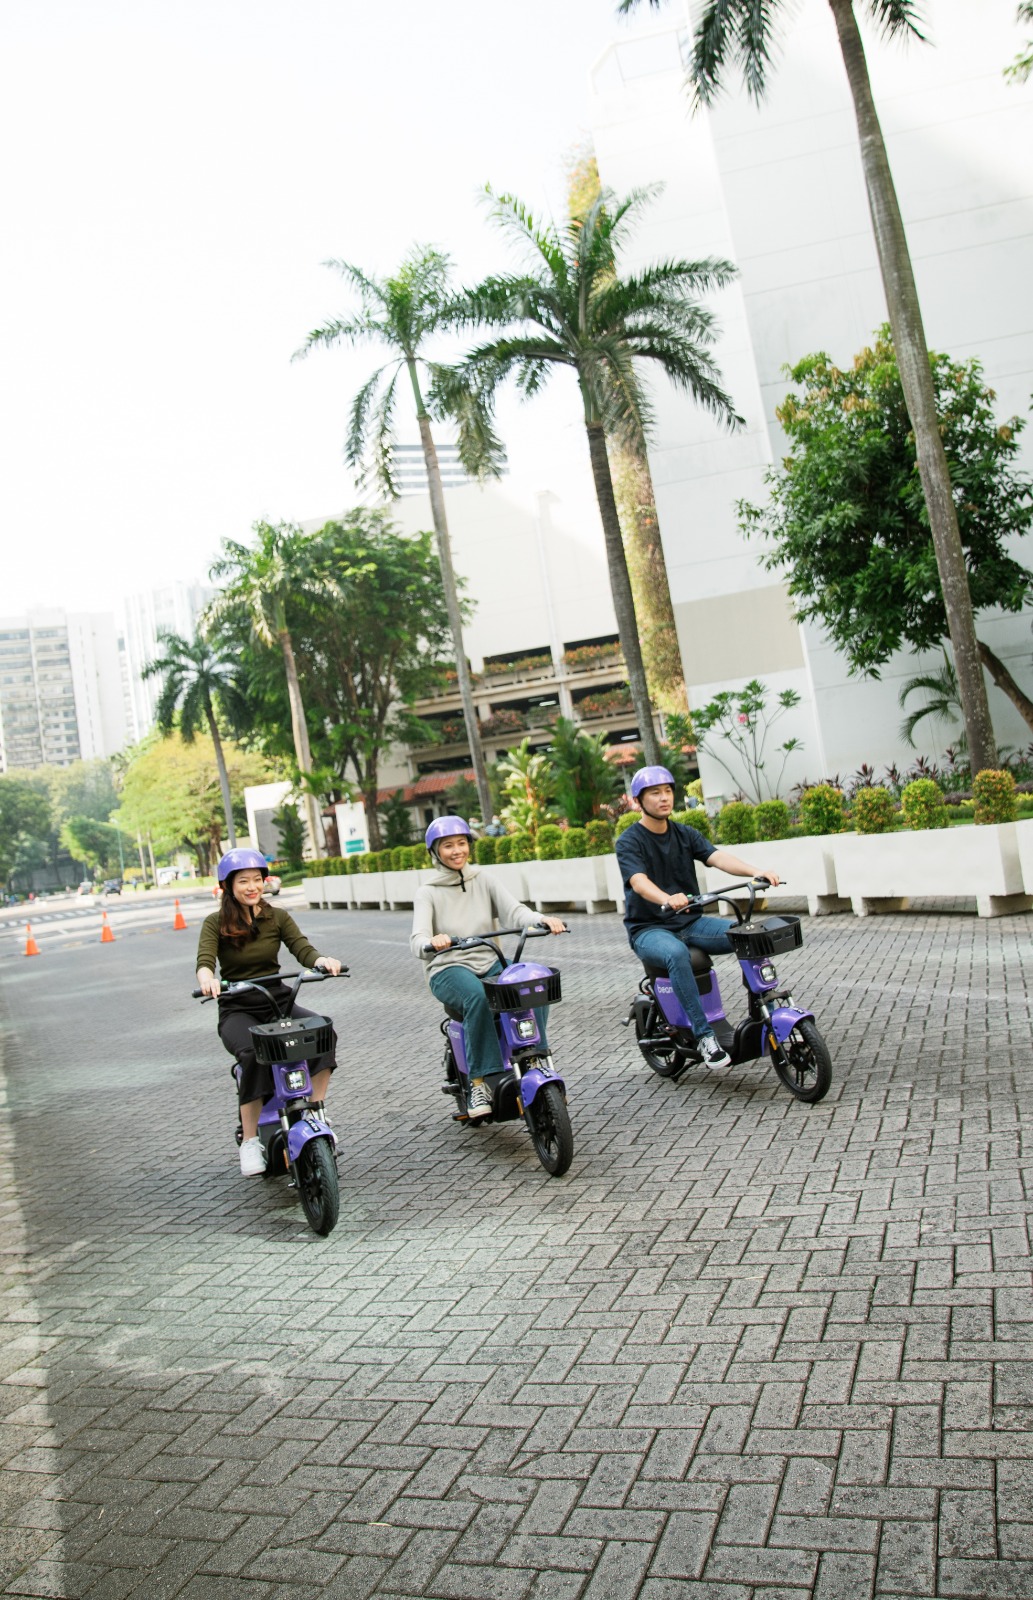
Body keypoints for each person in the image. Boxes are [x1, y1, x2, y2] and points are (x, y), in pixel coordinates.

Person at [615, 766, 781, 1070]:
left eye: (668, 791)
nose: (664, 798)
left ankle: (765, 1009)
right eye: (655, 793)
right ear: (638, 801)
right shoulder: (629, 841)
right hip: (649, 929)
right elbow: (638, 881)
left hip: (690, 922)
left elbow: (717, 857)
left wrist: (755, 871)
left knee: (747, 934)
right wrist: (666, 898)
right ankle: (705, 1037)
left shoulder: (684, 833)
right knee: (677, 954)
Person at [196, 847, 343, 1175]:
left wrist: (322, 961)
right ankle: (250, 1141)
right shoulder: (215, 922)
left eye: (257, 879)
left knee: (323, 1033)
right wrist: (207, 979)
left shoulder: (277, 916)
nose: (252, 887)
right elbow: (205, 960)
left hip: (278, 1002)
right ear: (227, 885)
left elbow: (303, 949)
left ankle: (315, 1111)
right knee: (251, 1053)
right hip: (237, 1007)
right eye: (243, 881)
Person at [410, 816, 566, 1119]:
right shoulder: (427, 891)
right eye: (448, 845)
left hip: (489, 959)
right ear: (435, 851)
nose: (457, 851)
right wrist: (432, 941)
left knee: (534, 982)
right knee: (478, 996)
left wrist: (542, 919)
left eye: (462, 843)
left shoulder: (484, 879)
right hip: (448, 967)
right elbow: (417, 939)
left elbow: (515, 912)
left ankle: (536, 1057)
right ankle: (480, 1082)